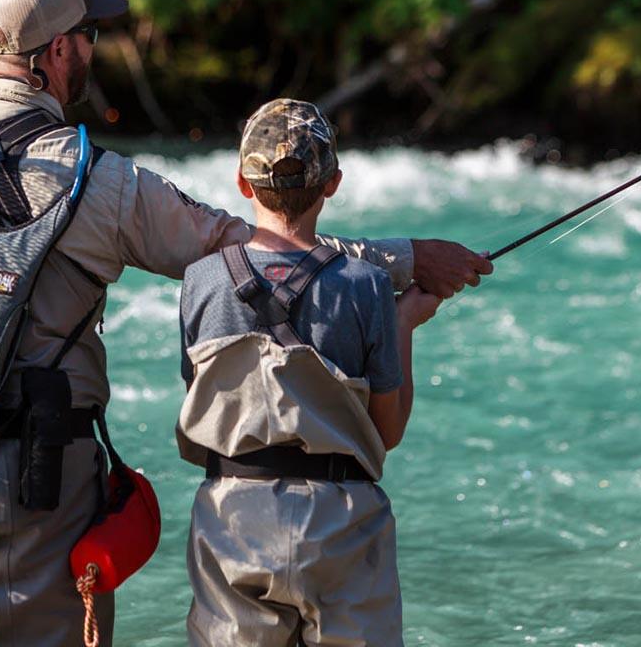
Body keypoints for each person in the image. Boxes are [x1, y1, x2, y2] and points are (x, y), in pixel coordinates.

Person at [0, 0, 491, 647]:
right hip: (43, 481)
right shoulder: (104, 182)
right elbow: (256, 250)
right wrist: (405, 259)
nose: (94, 51)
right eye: (89, 37)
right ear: (57, 52)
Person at [176, 98, 442, 646]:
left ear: (243, 185)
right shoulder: (365, 285)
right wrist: (404, 324)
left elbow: (203, 404)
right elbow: (386, 433)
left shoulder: (200, 281)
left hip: (233, 515)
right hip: (341, 520)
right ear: (333, 184)